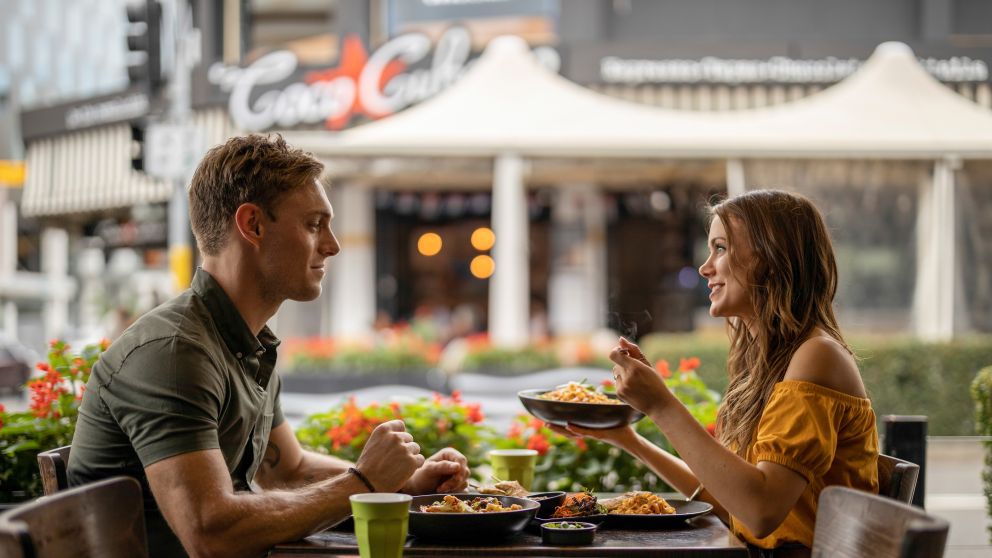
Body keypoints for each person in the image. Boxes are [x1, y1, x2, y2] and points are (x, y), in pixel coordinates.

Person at [68, 134, 470, 558]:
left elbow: (289, 471)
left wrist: (402, 483)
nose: (331, 245)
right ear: (253, 225)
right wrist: (364, 484)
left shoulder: (245, 341)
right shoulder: (173, 352)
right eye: (314, 224)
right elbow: (211, 534)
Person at [552, 189, 878, 557]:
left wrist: (662, 405)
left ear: (771, 259)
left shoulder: (817, 356)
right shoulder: (770, 361)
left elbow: (760, 511)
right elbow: (732, 500)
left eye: (721, 248)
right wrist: (628, 439)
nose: (706, 267)